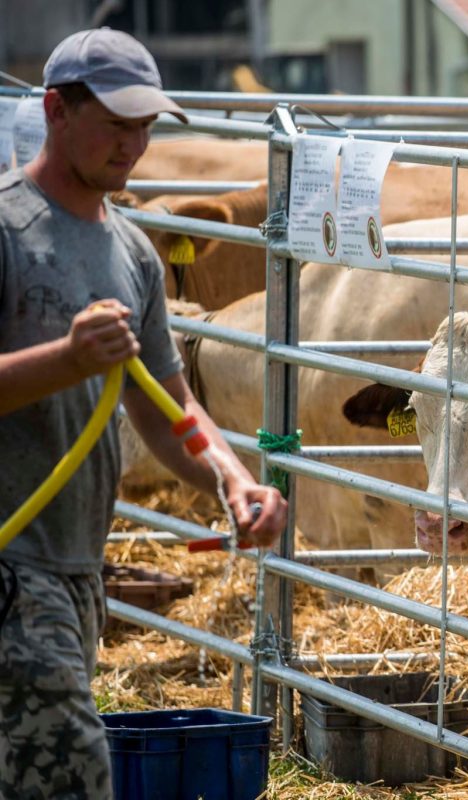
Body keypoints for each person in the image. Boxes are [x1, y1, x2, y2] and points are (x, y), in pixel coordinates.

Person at [0, 29, 286, 798]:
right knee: (73, 770)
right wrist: (66, 360)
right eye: (116, 124)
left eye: (146, 125)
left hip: (76, 564)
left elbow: (169, 404)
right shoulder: (7, 228)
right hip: (11, 562)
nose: (133, 144)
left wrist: (232, 482)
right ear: (56, 110)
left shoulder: (132, 253)